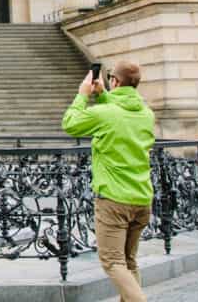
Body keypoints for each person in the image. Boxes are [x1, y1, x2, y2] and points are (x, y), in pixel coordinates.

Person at [62, 61, 156, 302]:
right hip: (142, 197)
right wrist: (104, 96)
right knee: (129, 261)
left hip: (114, 199)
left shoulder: (107, 114)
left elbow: (70, 123)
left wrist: (83, 95)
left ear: (115, 81)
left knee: (112, 262)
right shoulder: (146, 114)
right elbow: (118, 116)